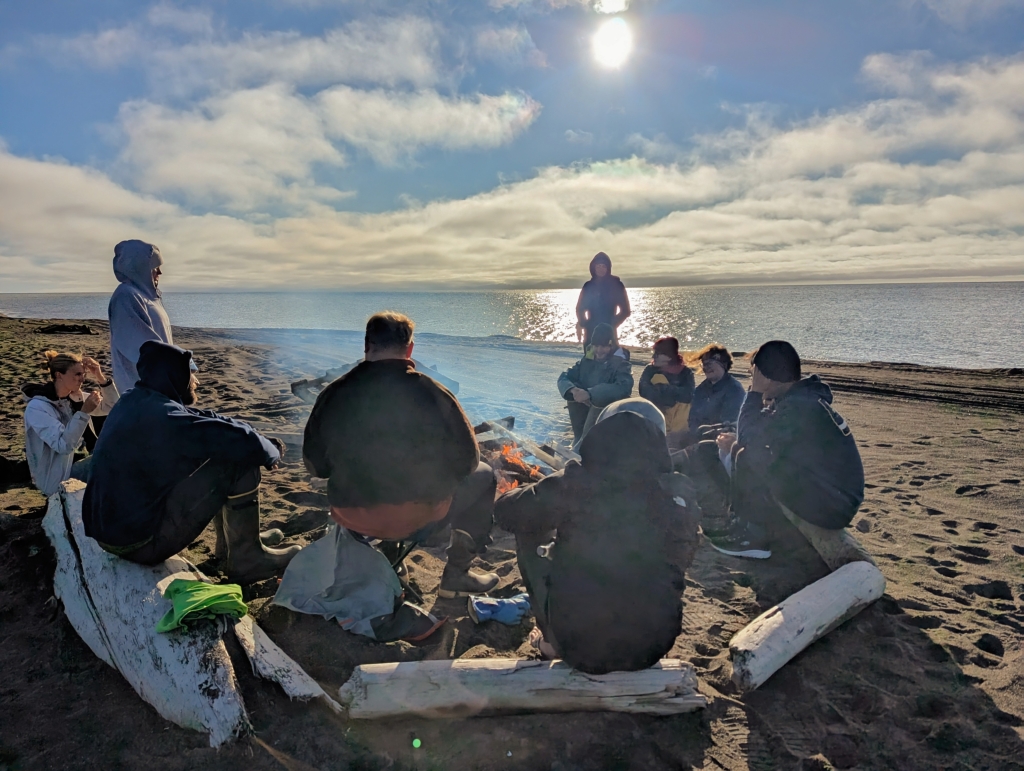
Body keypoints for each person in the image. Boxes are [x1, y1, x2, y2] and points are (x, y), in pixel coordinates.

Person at [494, 397, 700, 674]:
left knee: (530, 528)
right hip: (652, 646)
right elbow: (682, 560)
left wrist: (518, 495)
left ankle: (550, 640)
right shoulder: (679, 491)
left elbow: (509, 514)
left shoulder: (577, 482)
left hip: (578, 647)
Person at [302, 312, 499, 601]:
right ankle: (456, 576)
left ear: (367, 346)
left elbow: (315, 467)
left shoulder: (333, 393)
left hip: (351, 514)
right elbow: (468, 461)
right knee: (484, 474)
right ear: (409, 349)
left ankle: (388, 556)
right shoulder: (434, 393)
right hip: (415, 517)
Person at [83, 341, 300, 583]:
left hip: (113, 532)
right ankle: (247, 558)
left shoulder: (136, 400)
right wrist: (270, 450)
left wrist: (258, 437)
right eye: (191, 375)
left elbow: (206, 418)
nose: (196, 382)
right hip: (138, 543)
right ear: (173, 376)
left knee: (224, 446)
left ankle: (230, 546)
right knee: (237, 458)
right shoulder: (166, 418)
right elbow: (238, 440)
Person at [704, 341, 865, 560]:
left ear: (765, 376)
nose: (751, 378)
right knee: (755, 453)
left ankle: (753, 537)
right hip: (834, 495)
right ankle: (753, 526)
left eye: (754, 373)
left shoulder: (799, 407)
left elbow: (750, 438)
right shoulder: (800, 399)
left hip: (833, 506)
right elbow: (763, 434)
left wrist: (754, 393)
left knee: (750, 455)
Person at [22, 351, 119, 497]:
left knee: (123, 450)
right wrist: (84, 413)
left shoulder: (74, 396)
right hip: (58, 478)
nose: (82, 379)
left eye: (83, 374)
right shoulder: (37, 407)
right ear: (59, 375)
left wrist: (100, 376)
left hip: (80, 463)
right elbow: (63, 446)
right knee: (116, 458)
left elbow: (114, 407)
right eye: (77, 374)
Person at [108, 239, 173, 393]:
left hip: (161, 386)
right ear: (139, 267)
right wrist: (178, 369)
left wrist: (185, 368)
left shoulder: (147, 297)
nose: (159, 272)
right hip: (142, 390)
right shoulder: (126, 296)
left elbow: (163, 340)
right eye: (155, 267)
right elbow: (142, 346)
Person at [556, 323, 634, 445]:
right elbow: (565, 376)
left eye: (604, 346)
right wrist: (573, 390)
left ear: (612, 345)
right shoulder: (588, 359)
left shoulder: (621, 363)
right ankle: (579, 438)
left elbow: (623, 388)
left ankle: (586, 444)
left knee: (599, 402)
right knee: (573, 395)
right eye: (596, 346)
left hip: (609, 411)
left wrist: (590, 393)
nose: (599, 350)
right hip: (586, 406)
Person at [668, 344, 745, 449]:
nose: (706, 367)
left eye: (710, 363)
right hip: (696, 437)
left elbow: (730, 424)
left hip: (718, 444)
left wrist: (703, 434)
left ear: (723, 364)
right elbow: (692, 418)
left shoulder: (734, 390)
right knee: (668, 440)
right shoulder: (702, 389)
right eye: (704, 364)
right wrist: (694, 433)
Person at [639, 337, 695, 435]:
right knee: (658, 378)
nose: (653, 356)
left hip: (676, 417)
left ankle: (675, 433)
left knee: (685, 405)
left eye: (657, 354)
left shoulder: (685, 372)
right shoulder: (650, 370)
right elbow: (643, 391)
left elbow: (689, 395)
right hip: (656, 410)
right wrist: (663, 394)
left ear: (669, 356)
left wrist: (665, 388)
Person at [575, 252, 631, 348]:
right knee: (590, 359)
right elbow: (580, 308)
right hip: (591, 333)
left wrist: (612, 323)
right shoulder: (588, 286)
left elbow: (625, 310)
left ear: (608, 268)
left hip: (609, 331)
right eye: (598, 266)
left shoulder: (616, 285)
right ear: (593, 268)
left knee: (609, 360)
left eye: (603, 266)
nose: (601, 269)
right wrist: (584, 323)